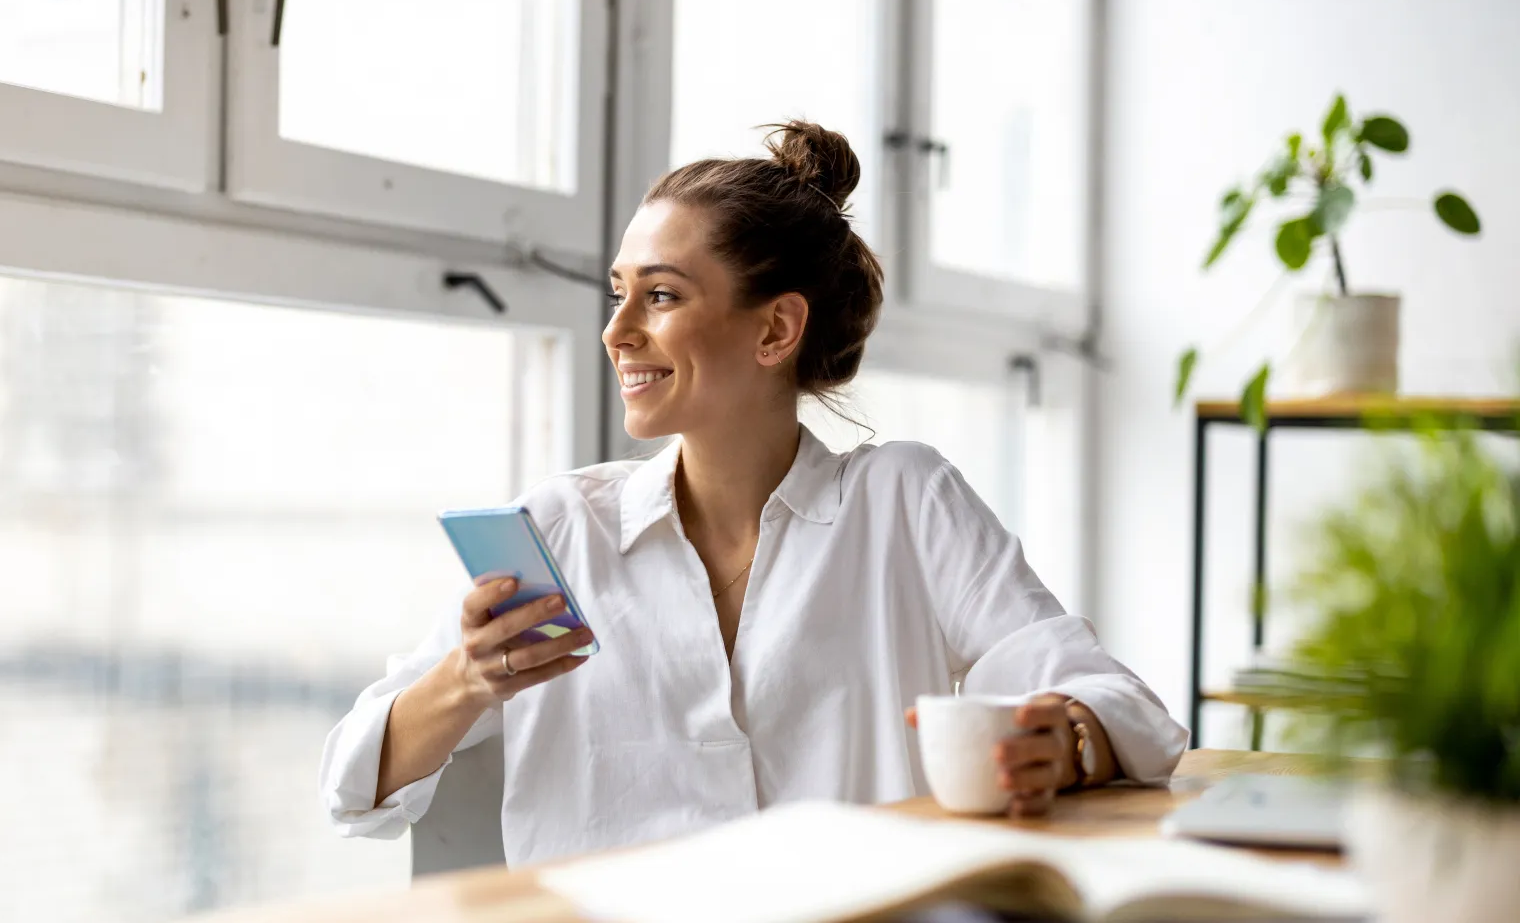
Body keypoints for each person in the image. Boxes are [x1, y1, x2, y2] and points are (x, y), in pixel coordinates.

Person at [320, 121, 1187, 866]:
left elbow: (1120, 705)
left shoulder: (903, 503)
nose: (617, 331)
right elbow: (352, 778)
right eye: (619, 294)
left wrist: (1065, 742)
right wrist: (468, 681)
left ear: (776, 328)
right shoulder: (561, 531)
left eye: (660, 296)